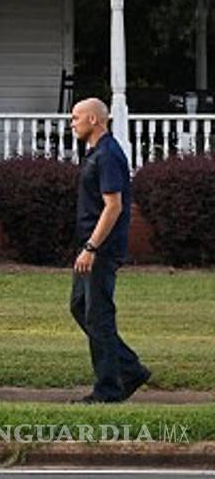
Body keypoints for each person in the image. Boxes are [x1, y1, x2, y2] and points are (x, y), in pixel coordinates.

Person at [69, 98, 151, 403]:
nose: (72, 122)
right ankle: (130, 369)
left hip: (100, 248)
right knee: (80, 307)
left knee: (98, 315)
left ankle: (108, 389)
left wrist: (92, 247)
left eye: (76, 117)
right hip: (89, 246)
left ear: (93, 119)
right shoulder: (94, 153)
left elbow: (113, 206)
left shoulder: (108, 154)